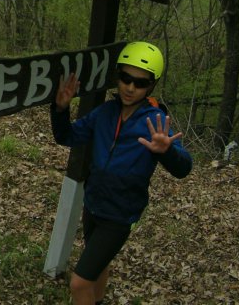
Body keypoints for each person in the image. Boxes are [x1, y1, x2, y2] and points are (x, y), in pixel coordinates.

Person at [50, 41, 192, 305]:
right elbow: (66, 136)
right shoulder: (105, 113)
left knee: (79, 283)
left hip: (119, 215)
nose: (130, 87)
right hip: (93, 204)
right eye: (125, 78)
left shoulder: (154, 122)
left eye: (140, 83)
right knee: (98, 265)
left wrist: (166, 151)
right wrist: (60, 109)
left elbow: (183, 168)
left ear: (151, 85)